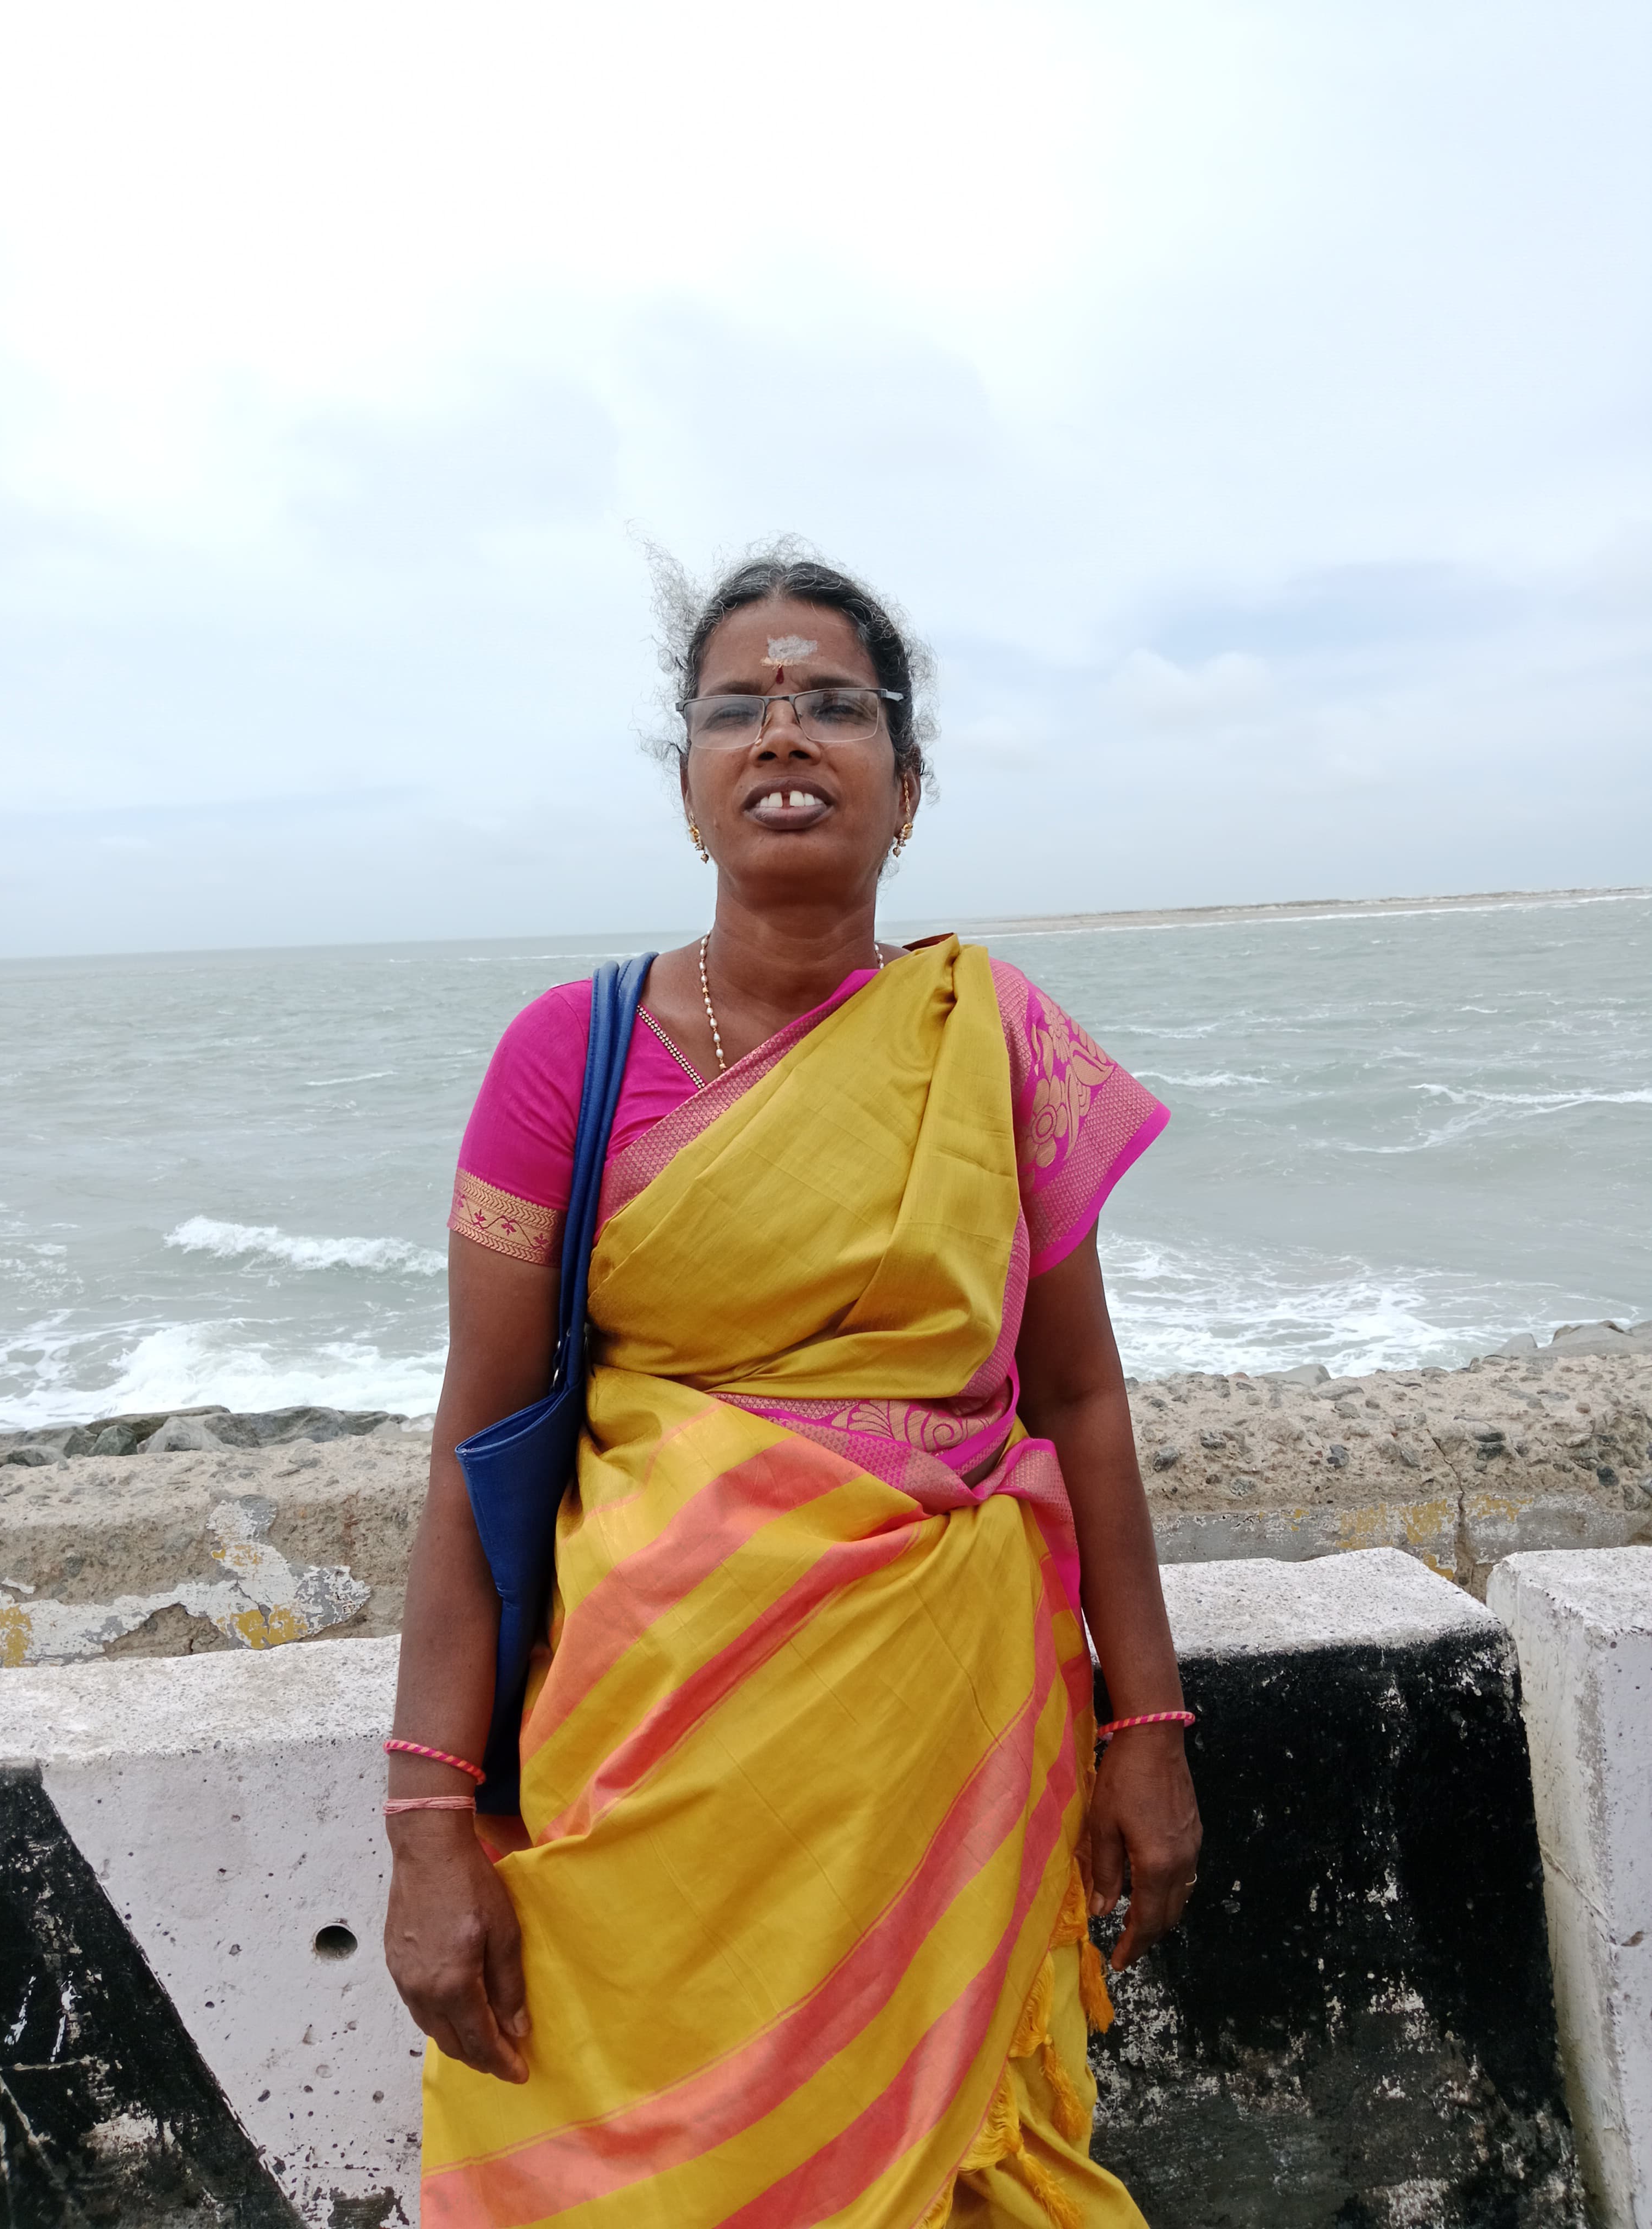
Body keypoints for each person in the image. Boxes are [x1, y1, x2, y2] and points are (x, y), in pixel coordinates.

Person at [384, 551, 1202, 2228]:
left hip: (941, 1749)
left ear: (906, 790)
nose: (784, 732)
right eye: (735, 707)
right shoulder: (570, 1053)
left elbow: (1083, 1399)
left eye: (835, 704)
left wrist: (1149, 1731)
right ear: (686, 787)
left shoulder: (985, 1040)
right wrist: (423, 1826)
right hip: (645, 1765)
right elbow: (480, 1438)